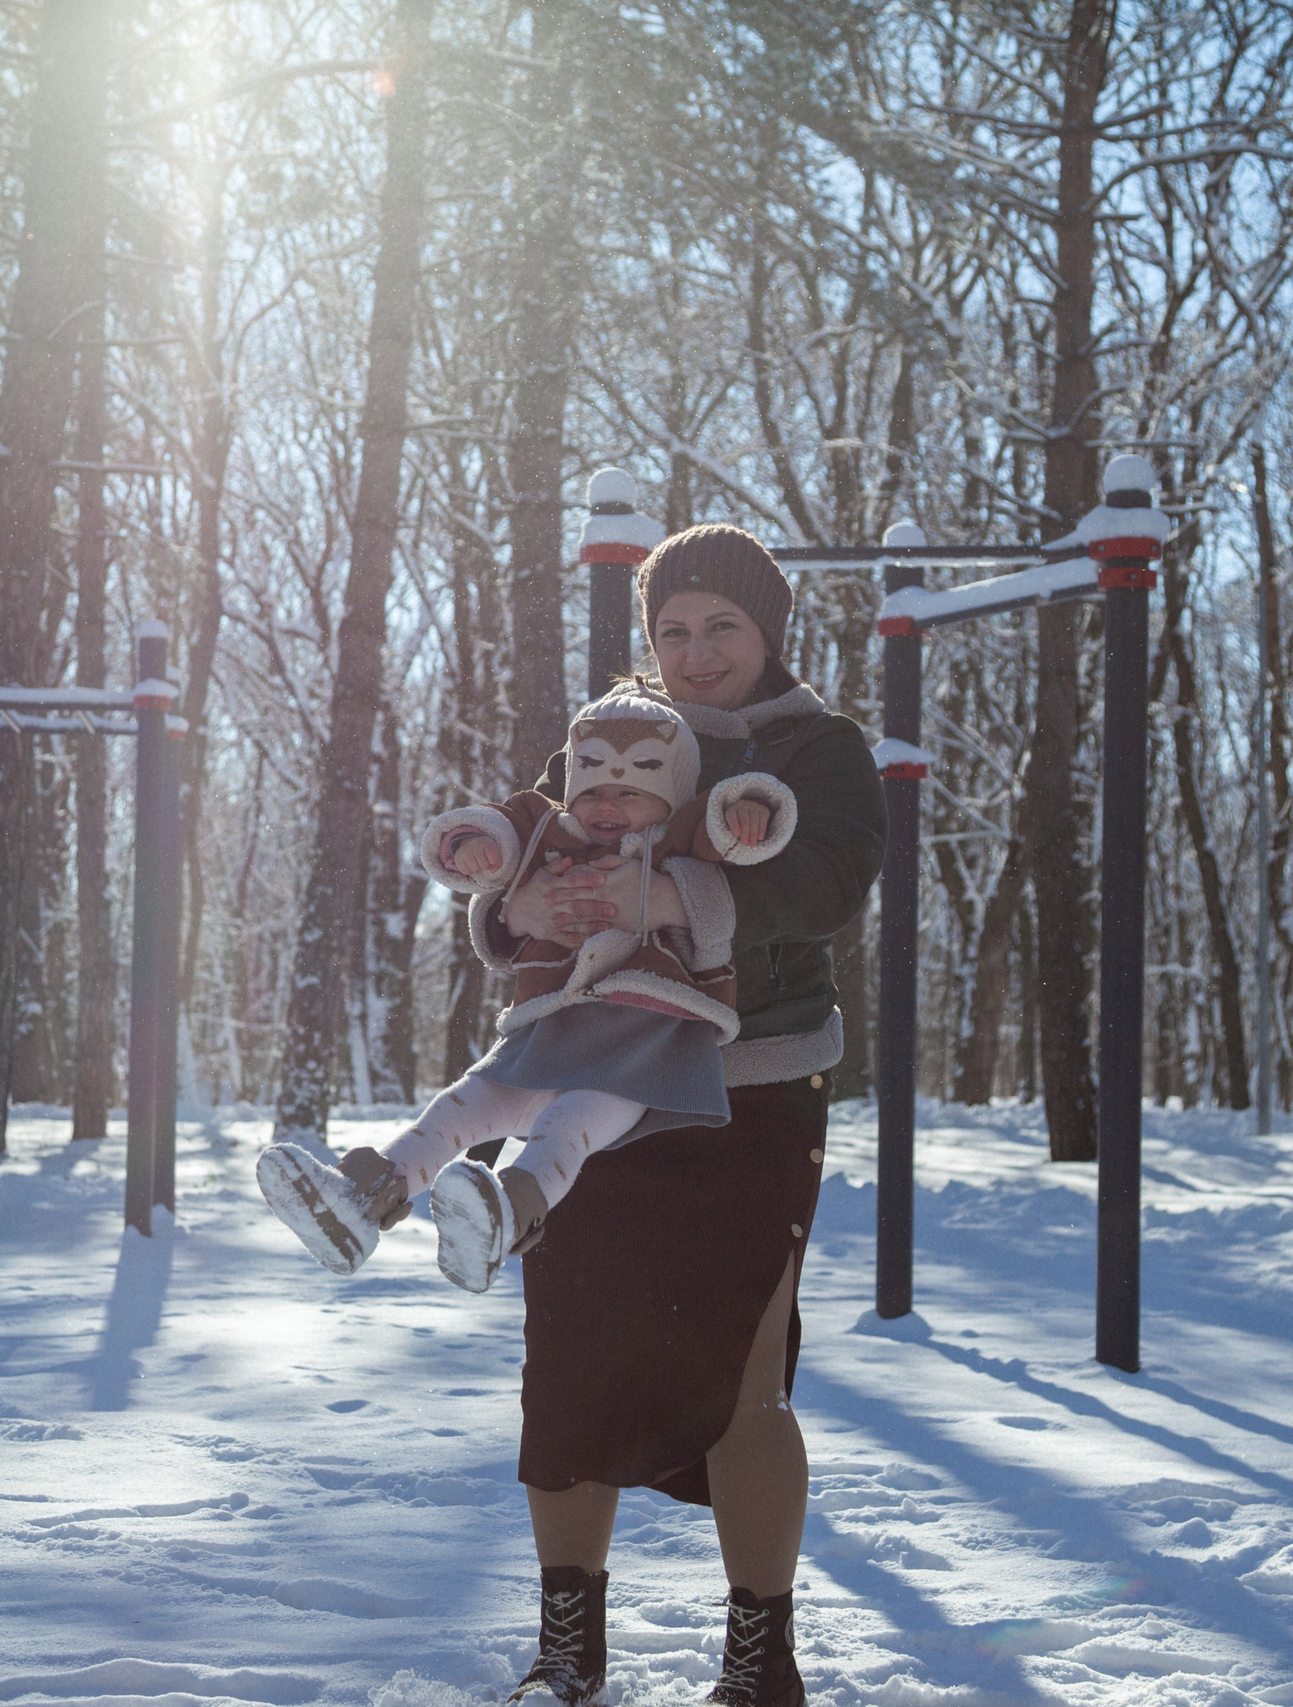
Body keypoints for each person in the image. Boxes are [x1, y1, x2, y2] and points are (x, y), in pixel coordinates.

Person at [485, 524, 884, 1707]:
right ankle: (568, 1654)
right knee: (567, 1366)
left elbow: (825, 885)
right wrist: (522, 912)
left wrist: (669, 894)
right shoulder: (618, 734)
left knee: (744, 1375)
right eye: (673, 630)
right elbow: (533, 855)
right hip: (593, 1078)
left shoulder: (819, 747)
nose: (696, 651)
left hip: (750, 1092)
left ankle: (760, 1664)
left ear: (768, 632)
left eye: (722, 626)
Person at [253, 688, 795, 1292]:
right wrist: (474, 847)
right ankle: (361, 1202)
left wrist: (748, 814)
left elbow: (726, 829)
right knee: (460, 1107)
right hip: (550, 1030)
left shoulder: (678, 837)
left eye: (631, 793)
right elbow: (500, 827)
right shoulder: (548, 831)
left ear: (670, 796)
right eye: (591, 791)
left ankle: (507, 1217)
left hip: (643, 1044)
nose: (607, 805)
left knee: (565, 1128)